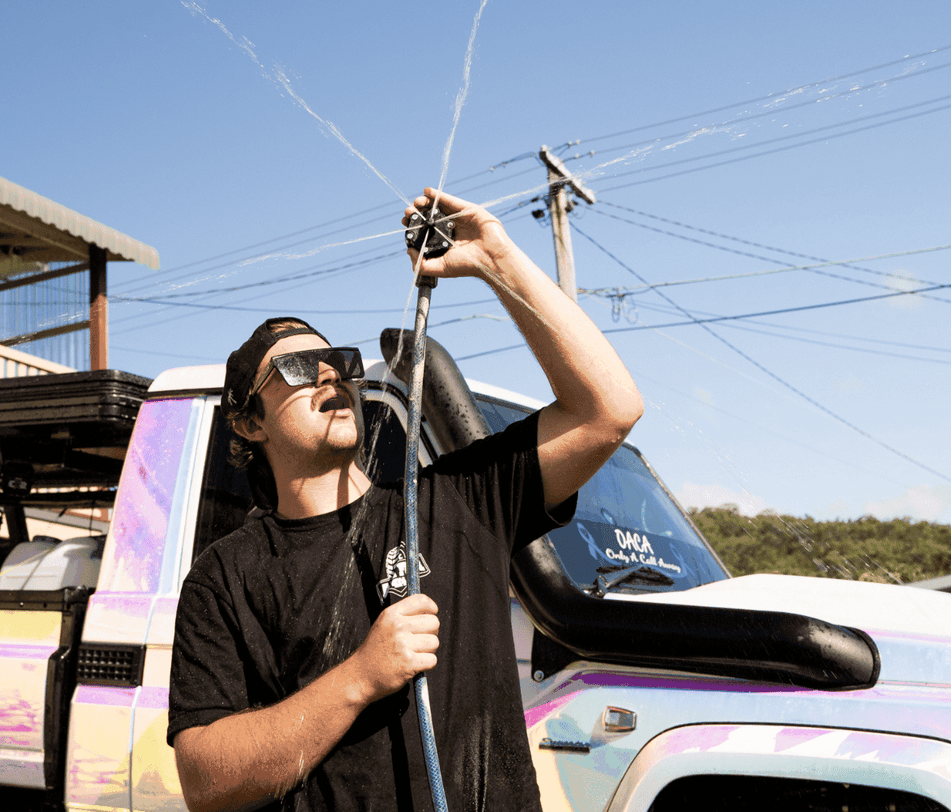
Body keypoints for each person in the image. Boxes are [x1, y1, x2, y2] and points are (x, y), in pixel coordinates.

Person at [168, 187, 644, 812]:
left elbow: (608, 410)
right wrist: (361, 677)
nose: (328, 375)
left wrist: (496, 259)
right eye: (295, 370)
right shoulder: (225, 578)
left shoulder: (458, 501)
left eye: (336, 360)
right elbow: (206, 783)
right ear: (249, 424)